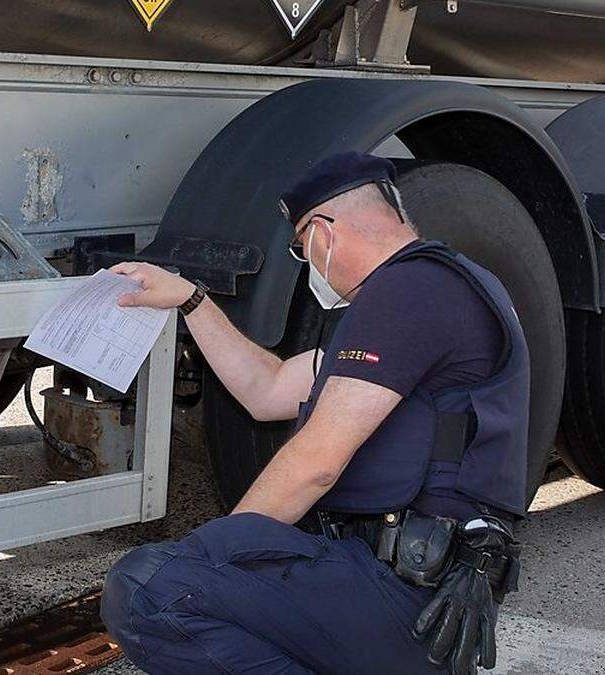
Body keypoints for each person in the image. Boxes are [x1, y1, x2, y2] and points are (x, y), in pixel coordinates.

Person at [100, 153, 526, 674]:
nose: (308, 267)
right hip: (414, 596)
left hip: (400, 597)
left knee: (150, 589)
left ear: (323, 233)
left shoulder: (407, 293)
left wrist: (218, 551)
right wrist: (191, 301)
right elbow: (269, 388)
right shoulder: (438, 290)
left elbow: (316, 461)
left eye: (302, 249)